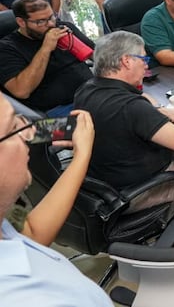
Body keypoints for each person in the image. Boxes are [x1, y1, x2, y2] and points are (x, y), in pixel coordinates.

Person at [0, 95, 112, 306]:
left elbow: (31, 232)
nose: (29, 133)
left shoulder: (5, 222)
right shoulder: (33, 298)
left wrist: (81, 156)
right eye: (14, 126)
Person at [74, 31, 174, 210]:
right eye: (143, 59)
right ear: (126, 61)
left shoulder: (86, 89)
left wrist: (157, 110)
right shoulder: (132, 107)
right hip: (138, 192)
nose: (146, 66)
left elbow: (141, 98)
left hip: (104, 182)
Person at [0, 0, 93, 115]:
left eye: (51, 17)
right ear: (21, 22)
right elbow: (21, 91)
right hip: (59, 109)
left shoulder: (63, 28)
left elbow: (97, 55)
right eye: (41, 21)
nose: (50, 24)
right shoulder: (7, 48)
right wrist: (45, 48)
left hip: (92, 92)